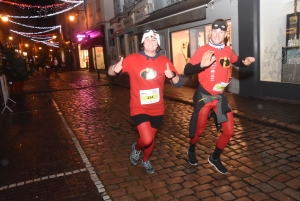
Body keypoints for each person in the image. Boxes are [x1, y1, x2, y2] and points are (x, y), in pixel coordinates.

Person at [184, 19, 255, 174]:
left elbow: (238, 62)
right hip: (204, 97)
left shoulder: (228, 51)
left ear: (225, 34)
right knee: (198, 131)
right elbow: (187, 69)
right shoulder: (203, 50)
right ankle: (191, 149)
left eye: (221, 32)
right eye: (215, 31)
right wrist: (201, 65)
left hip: (220, 97)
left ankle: (215, 157)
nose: (217, 34)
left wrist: (246, 62)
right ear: (210, 32)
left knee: (229, 131)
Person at [108, 30, 183, 174]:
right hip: (139, 107)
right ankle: (136, 148)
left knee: (151, 138)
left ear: (158, 44)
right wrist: (115, 68)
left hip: (158, 108)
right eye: (147, 39)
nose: (150, 42)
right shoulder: (132, 59)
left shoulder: (165, 61)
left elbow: (178, 83)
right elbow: (110, 73)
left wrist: (172, 75)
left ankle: (146, 160)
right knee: (146, 139)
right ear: (143, 42)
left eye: (154, 39)